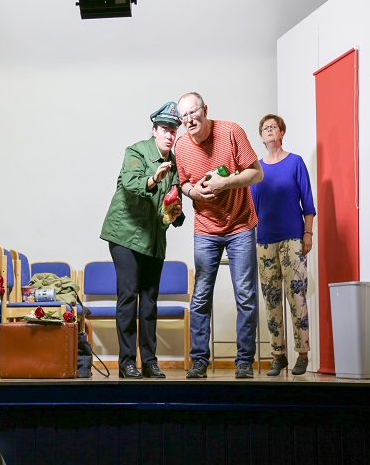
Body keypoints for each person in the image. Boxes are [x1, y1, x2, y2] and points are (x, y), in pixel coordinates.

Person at [175, 92, 263, 379]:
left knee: (246, 296)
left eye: (193, 112)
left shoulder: (231, 131)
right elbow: (184, 183)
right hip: (206, 229)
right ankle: (199, 361)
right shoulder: (181, 146)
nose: (189, 119)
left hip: (240, 225)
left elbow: (256, 174)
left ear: (205, 110)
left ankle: (244, 362)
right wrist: (193, 192)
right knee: (201, 295)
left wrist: (225, 183)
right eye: (184, 116)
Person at [100, 102, 185, 379]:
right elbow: (131, 182)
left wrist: (177, 213)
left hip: (153, 240)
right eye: (164, 129)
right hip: (125, 235)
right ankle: (127, 363)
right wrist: (153, 178)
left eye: (173, 130)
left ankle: (149, 362)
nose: (169, 135)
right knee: (128, 297)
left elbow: (172, 204)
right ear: (154, 130)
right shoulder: (136, 151)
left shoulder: (175, 164)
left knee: (149, 301)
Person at [251, 114, 315, 376]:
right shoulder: (256, 168)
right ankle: (278, 355)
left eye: (273, 127)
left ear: (282, 132)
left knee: (296, 296)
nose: (269, 131)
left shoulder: (295, 162)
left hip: (292, 239)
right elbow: (251, 209)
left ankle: (302, 353)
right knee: (271, 299)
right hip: (265, 241)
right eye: (265, 128)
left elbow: (308, 204)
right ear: (261, 136)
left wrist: (308, 234)